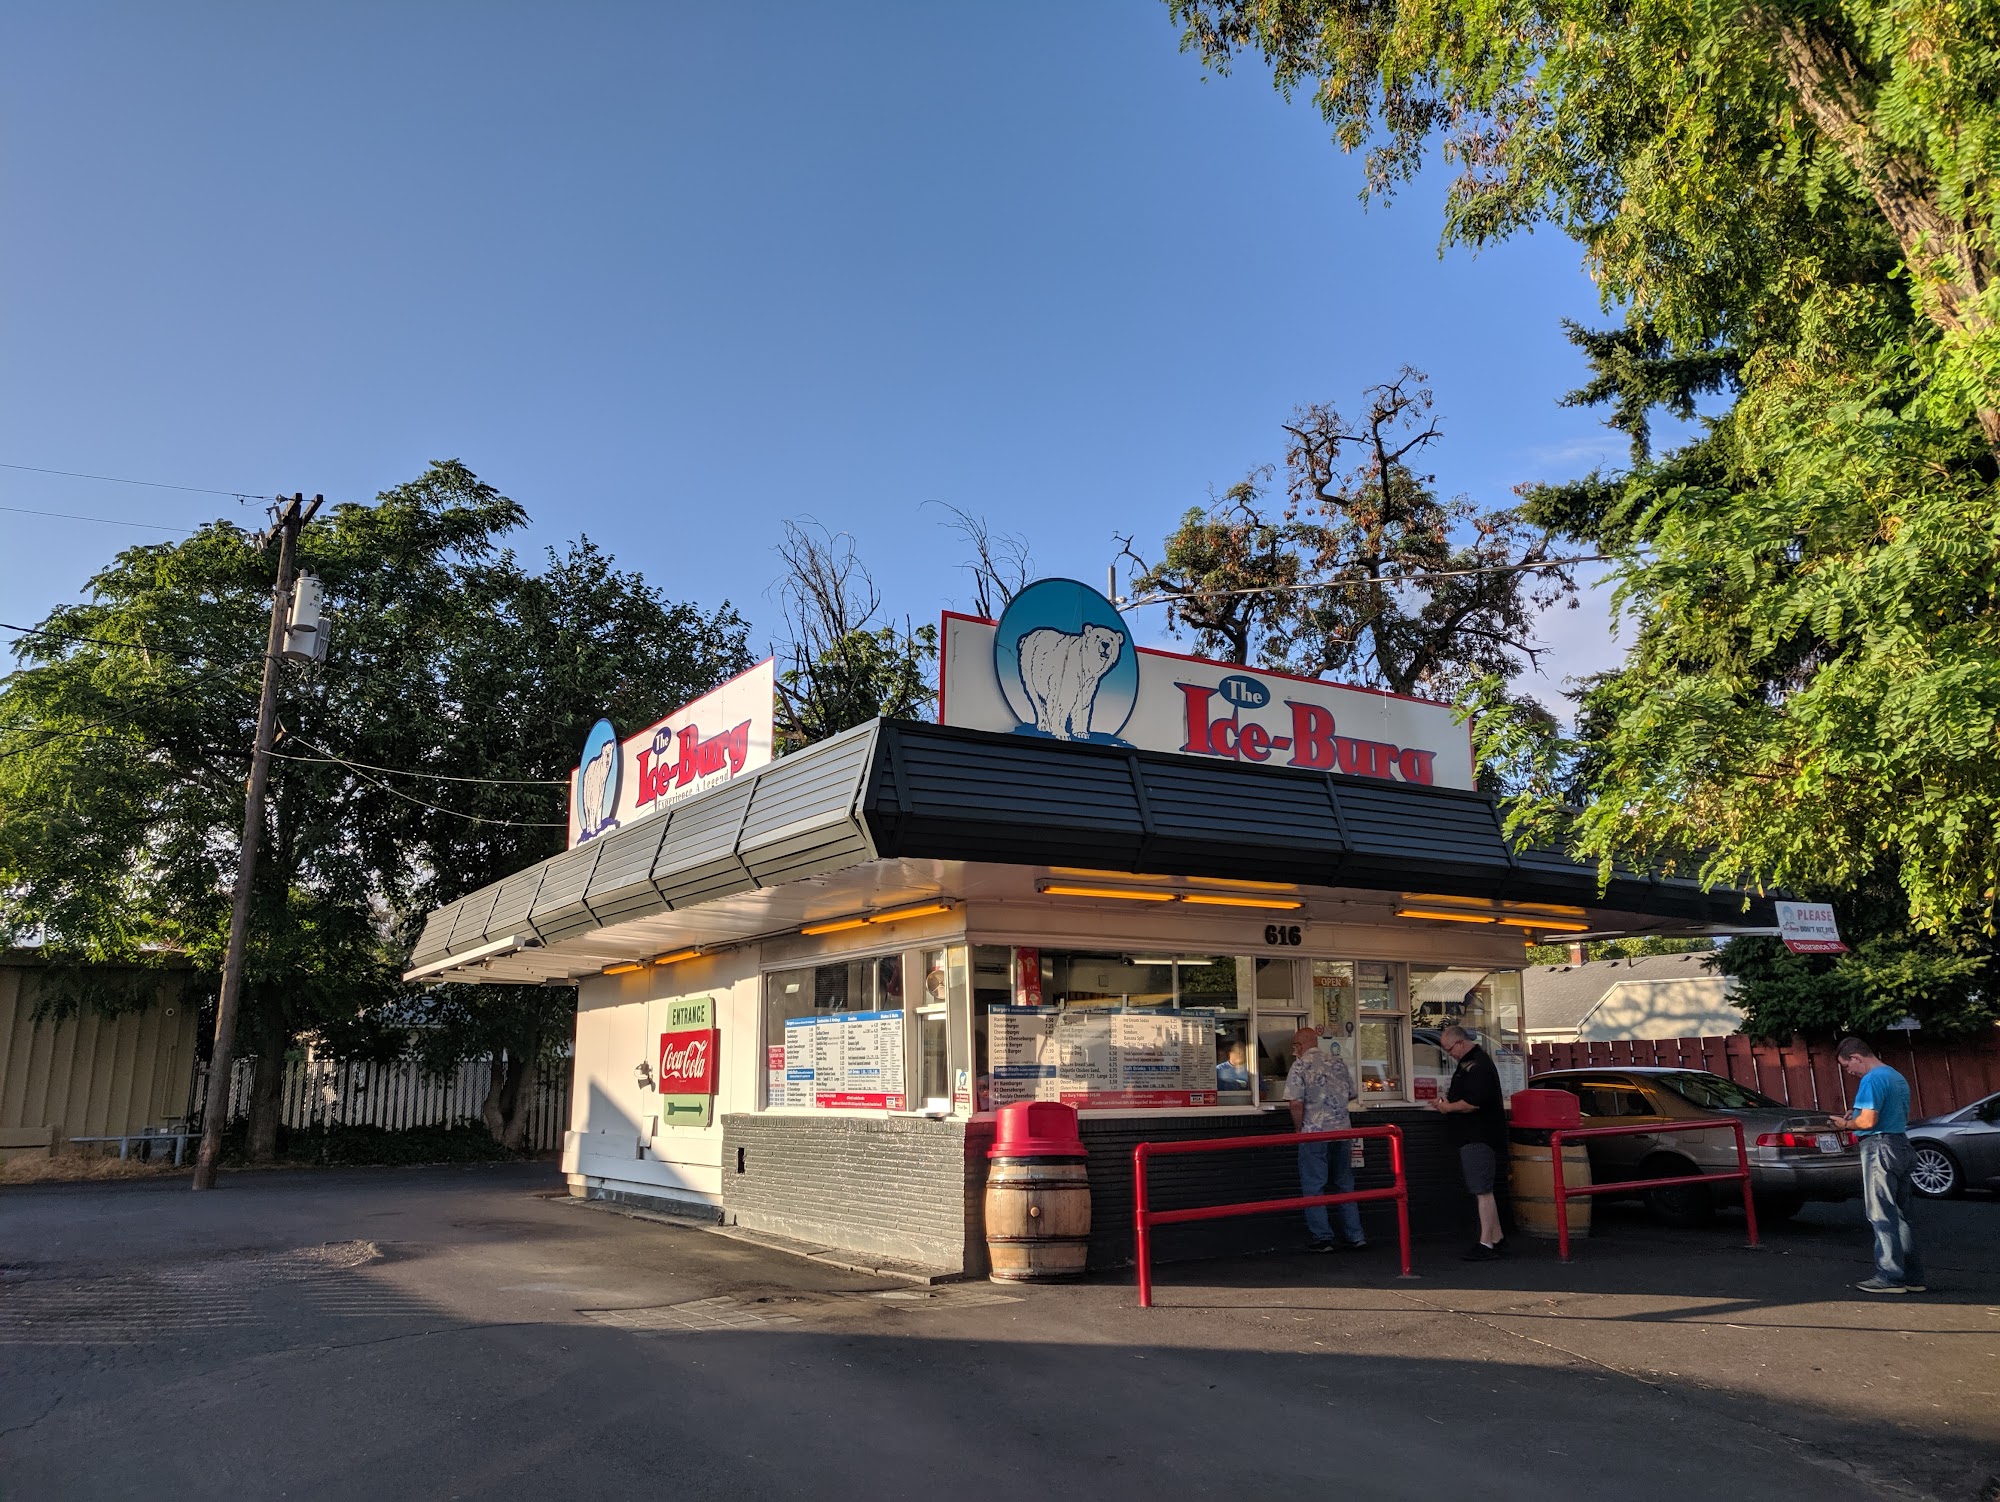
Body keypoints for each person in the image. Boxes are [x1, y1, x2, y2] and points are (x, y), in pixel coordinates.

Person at [1832, 1038, 1926, 1294]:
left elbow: (1869, 1121)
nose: (1850, 1072)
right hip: (1901, 1144)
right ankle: (1912, 1277)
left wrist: (1845, 1124)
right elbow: (1884, 1111)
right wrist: (1857, 1113)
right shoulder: (1895, 1076)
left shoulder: (1872, 1079)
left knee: (1881, 1213)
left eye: (1848, 1066)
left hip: (1879, 1148)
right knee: (1903, 1214)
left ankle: (1890, 1276)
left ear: (1856, 1058)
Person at [1428, 1024, 1507, 1259]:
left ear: (1460, 1043)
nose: (1448, 1054)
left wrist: (1447, 1107)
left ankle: (1485, 1243)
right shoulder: (1469, 1063)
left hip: (1479, 1135)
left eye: (1449, 1049)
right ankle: (1496, 1237)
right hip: (1473, 1135)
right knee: (1483, 1188)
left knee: (1482, 1190)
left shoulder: (1478, 1066)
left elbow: (1474, 1102)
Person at [1284, 1026, 1365, 1251]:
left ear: (1300, 1046)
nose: (1294, 1051)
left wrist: (1298, 1130)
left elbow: (1295, 1103)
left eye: (1294, 1046)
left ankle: (1323, 1238)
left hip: (1314, 1133)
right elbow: (1351, 1093)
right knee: (1345, 1184)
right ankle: (1356, 1236)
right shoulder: (1337, 1063)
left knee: (1314, 1185)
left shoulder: (1300, 1066)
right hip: (1342, 1131)